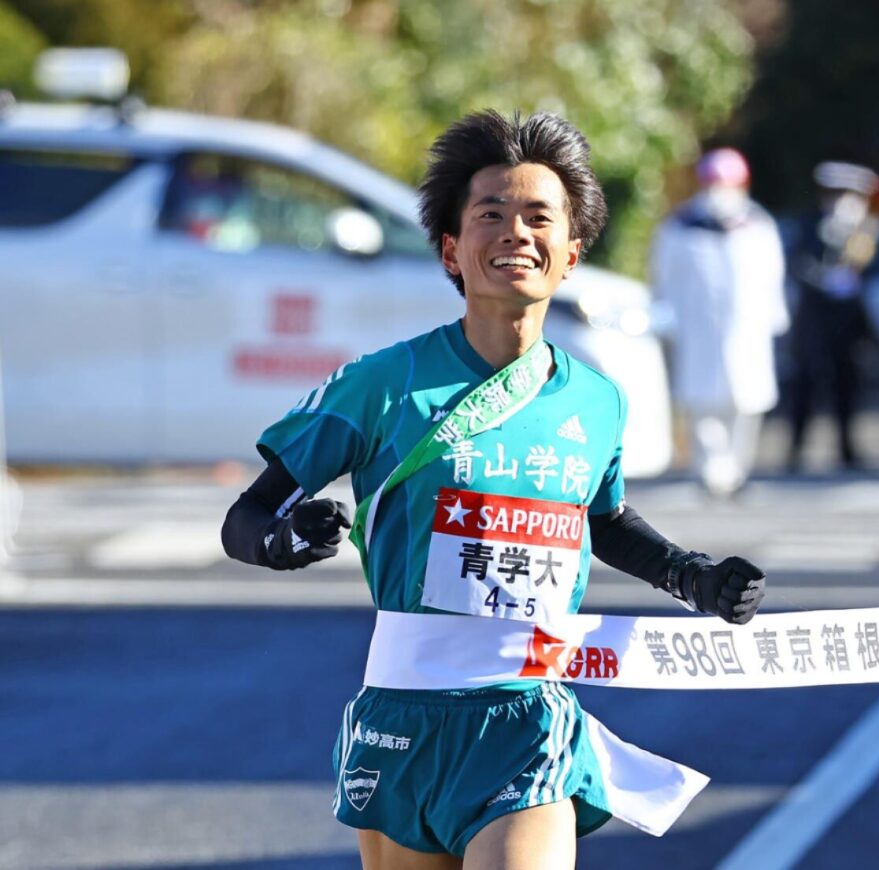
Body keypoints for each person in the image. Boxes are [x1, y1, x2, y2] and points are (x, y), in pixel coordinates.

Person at [222, 110, 767, 870]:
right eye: (491, 215)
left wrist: (692, 577)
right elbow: (245, 516)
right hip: (400, 718)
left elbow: (600, 519)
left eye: (539, 217)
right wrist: (277, 541)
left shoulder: (596, 401)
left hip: (524, 717)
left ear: (571, 254)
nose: (516, 231)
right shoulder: (384, 383)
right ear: (452, 248)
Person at [650, 148, 789, 496]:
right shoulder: (680, 226)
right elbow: (663, 276)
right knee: (701, 401)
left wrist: (775, 315)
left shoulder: (757, 223)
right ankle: (710, 469)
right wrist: (666, 317)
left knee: (746, 401)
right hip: (698, 330)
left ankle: (737, 469)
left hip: (747, 331)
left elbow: (773, 275)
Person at [786, 161, 879, 472]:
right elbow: (800, 263)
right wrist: (827, 261)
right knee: (806, 382)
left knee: (848, 383)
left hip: (848, 320)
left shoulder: (865, 225)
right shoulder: (810, 222)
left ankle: (847, 448)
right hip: (814, 317)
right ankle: (796, 448)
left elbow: (868, 266)